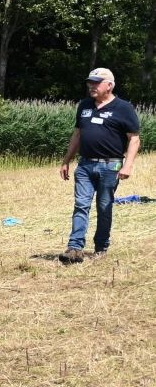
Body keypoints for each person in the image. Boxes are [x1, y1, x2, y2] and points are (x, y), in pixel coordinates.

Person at [60, 67, 141, 262]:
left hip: (110, 166)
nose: (92, 86)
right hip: (85, 165)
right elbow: (77, 135)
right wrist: (66, 160)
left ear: (110, 85)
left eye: (96, 82)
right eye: (90, 82)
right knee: (81, 205)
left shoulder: (124, 108)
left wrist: (127, 165)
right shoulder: (84, 106)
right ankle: (75, 248)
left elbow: (134, 139)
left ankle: (101, 248)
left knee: (104, 207)